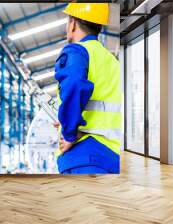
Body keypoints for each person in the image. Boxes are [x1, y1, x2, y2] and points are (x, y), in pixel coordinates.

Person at [54, 3, 121, 174]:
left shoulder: (77, 51)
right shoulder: (112, 61)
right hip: (113, 156)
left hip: (84, 155)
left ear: (73, 23)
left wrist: (69, 133)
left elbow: (75, 84)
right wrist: (66, 120)